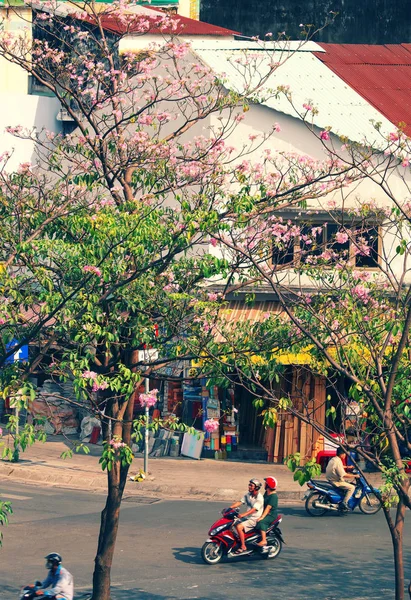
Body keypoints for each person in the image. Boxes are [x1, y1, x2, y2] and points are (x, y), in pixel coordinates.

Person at [230, 478, 264, 554]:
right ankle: (237, 540)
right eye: (249, 485)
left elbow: (254, 510)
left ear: (256, 487)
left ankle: (243, 546)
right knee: (231, 523)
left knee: (239, 527)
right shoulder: (248, 495)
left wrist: (243, 515)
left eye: (251, 485)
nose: (249, 487)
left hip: (254, 519)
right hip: (247, 518)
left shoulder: (260, 498)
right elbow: (240, 502)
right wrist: (230, 508)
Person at [256, 476, 279, 547]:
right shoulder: (267, 493)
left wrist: (262, 517)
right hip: (265, 512)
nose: (264, 484)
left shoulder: (274, 496)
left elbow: (268, 507)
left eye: (265, 483)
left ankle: (264, 540)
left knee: (261, 522)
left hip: (271, 515)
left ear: (268, 485)